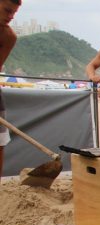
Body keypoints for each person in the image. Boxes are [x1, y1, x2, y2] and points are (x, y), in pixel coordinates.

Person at [0, 0, 20, 183]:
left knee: (0, 142)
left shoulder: (8, 37)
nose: (11, 16)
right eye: (7, 10)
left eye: (14, 13)